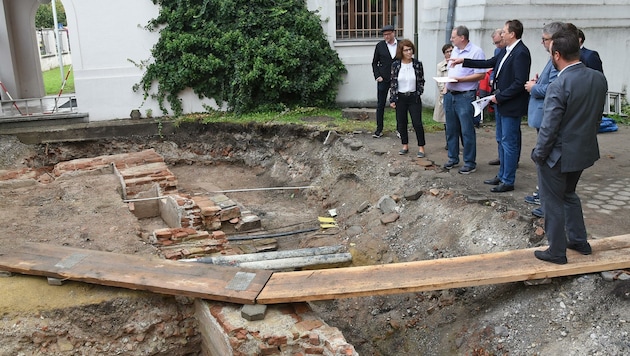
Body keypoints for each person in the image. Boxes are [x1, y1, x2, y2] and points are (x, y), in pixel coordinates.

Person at [531, 27, 608, 264]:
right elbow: (596, 118)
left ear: (557, 55)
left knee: (551, 201)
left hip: (558, 155)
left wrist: (539, 154)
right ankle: (578, 241)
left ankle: (556, 251)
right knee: (569, 195)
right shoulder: (598, 78)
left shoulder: (559, 84)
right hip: (582, 152)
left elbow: (549, 127)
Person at [451, 20, 531, 192]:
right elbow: (488, 62)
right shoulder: (505, 51)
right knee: (501, 140)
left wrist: (499, 96)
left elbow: (519, 83)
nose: (501, 34)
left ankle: (508, 180)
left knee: (509, 142)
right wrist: (464, 60)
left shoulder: (521, 52)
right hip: (500, 103)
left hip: (510, 104)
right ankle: (501, 175)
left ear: (512, 34)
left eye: (504, 31)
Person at [524, 22, 562, 218]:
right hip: (544, 117)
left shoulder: (559, 59)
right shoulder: (551, 58)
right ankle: (542, 194)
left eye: (545, 39)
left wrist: (533, 88)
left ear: (554, 40)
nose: (542, 42)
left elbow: (554, 89)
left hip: (549, 118)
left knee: (546, 159)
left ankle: (546, 201)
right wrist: (538, 82)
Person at [443, 25, 487, 175]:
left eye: (453, 37)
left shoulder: (476, 52)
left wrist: (461, 79)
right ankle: (453, 157)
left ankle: (469, 162)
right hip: (450, 93)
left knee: (466, 130)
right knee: (451, 128)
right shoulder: (455, 50)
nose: (451, 39)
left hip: (465, 95)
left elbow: (481, 75)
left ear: (462, 38)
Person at [389, 39, 426, 158]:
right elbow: (393, 82)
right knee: (401, 122)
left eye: (410, 49)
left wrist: (419, 92)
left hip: (413, 97)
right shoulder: (396, 65)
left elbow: (421, 80)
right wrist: (393, 98)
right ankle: (405, 145)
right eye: (406, 50)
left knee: (417, 123)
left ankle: (421, 147)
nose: (409, 52)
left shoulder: (417, 64)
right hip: (400, 97)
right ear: (401, 52)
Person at [371, 25, 398, 138]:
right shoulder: (380, 46)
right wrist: (378, 76)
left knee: (399, 104)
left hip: (397, 79)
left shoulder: (401, 45)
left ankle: (400, 129)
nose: (386, 36)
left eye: (388, 34)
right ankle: (379, 129)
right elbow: (374, 62)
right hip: (383, 78)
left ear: (393, 33)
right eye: (384, 35)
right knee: (380, 104)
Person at [487, 28, 506, 166]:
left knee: (509, 135)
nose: (497, 45)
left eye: (499, 42)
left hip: (506, 97)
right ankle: (501, 156)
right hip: (497, 94)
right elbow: (494, 67)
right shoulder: (498, 51)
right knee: (499, 132)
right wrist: (492, 79)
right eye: (495, 43)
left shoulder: (517, 52)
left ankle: (511, 160)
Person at [432, 43, 453, 149]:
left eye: (451, 51)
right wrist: (444, 91)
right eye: (447, 52)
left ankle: (461, 142)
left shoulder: (458, 63)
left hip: (457, 94)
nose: (449, 54)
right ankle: (449, 142)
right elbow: (439, 81)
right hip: (445, 94)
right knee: (446, 121)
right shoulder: (440, 65)